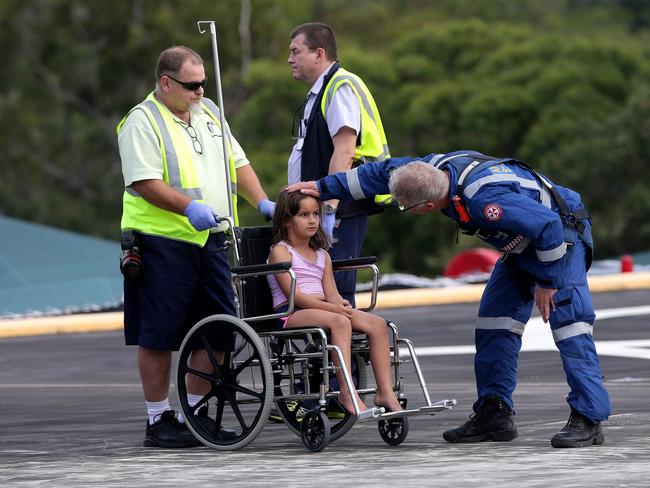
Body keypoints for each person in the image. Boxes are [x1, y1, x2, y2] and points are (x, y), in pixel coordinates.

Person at [287, 149, 611, 448]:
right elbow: (380, 172)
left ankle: (589, 417)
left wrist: (548, 281)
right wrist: (323, 187)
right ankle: (494, 413)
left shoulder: (487, 203)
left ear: (427, 206)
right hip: (522, 245)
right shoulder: (425, 170)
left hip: (561, 242)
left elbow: (548, 225)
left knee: (570, 326)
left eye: (406, 207)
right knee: (493, 326)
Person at [117, 46, 276, 448]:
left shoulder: (208, 113)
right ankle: (159, 419)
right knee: (158, 333)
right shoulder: (142, 120)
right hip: (160, 242)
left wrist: (261, 202)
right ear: (166, 83)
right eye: (191, 85)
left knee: (220, 329)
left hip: (212, 239)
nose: (200, 91)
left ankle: (197, 412)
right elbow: (144, 182)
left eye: (203, 83)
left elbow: (238, 164)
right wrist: (189, 207)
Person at [267, 189, 403, 415]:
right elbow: (296, 296)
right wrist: (334, 309)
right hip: (290, 311)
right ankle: (346, 392)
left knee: (378, 325)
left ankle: (385, 392)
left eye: (315, 214)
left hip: (323, 308)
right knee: (340, 321)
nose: (312, 220)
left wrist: (341, 304)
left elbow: (332, 293)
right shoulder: (281, 252)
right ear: (287, 221)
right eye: (303, 215)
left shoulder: (322, 254)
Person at [287, 22, 391, 308]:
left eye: (296, 51)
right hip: (325, 206)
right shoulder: (322, 91)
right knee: (326, 287)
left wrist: (330, 207)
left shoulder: (341, 86)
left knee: (338, 288)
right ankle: (339, 350)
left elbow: (344, 152)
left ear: (318, 54)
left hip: (340, 205)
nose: (290, 59)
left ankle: (344, 351)